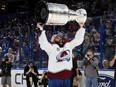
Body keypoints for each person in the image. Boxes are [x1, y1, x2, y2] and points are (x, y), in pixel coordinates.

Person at [37, 20, 85, 87]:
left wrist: (81, 27)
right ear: (53, 40)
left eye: (60, 37)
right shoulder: (51, 48)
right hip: (55, 78)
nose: (59, 38)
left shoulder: (68, 45)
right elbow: (43, 43)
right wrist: (42, 30)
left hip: (67, 77)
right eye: (57, 37)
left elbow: (78, 40)